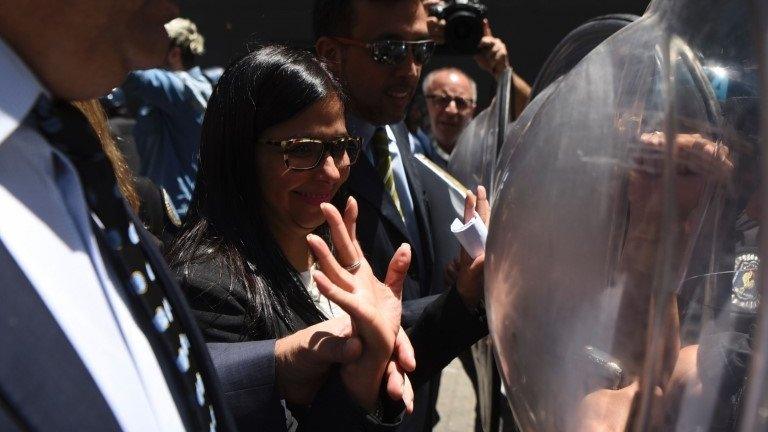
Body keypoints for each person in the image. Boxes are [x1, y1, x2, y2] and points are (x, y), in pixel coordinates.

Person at [0, 2, 417, 431]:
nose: (331, 171)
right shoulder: (208, 280)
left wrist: (452, 309)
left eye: (341, 147)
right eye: (302, 150)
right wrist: (354, 383)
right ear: (240, 152)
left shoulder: (71, 168)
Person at [313, 1, 490, 430]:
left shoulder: (393, 127)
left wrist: (457, 281)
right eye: (389, 50)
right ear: (331, 54)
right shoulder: (308, 163)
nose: (410, 69)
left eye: (421, 49)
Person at [123, 17, 213, 218]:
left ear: (174, 54)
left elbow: (135, 75)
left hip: (175, 211)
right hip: (179, 206)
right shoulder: (198, 87)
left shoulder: (181, 89)